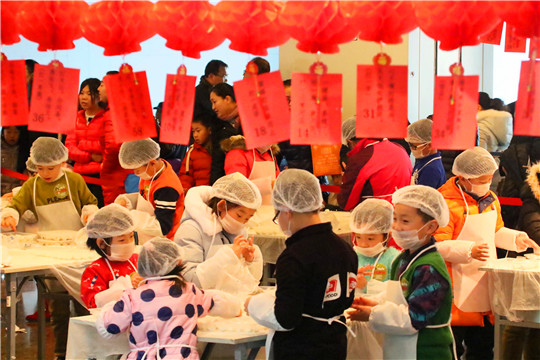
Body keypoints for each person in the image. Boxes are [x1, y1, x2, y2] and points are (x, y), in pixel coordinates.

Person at [434, 147, 540, 360]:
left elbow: (495, 230)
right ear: (463, 178)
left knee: (483, 347)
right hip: (454, 286)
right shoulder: (444, 202)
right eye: (482, 179)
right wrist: (468, 250)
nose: (487, 184)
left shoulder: (490, 198)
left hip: (485, 283)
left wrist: (515, 238)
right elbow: (436, 245)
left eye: (489, 178)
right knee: (453, 347)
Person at [0, 137, 98, 360]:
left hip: (78, 251)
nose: (45, 173)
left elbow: (90, 202)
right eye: (40, 168)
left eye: (51, 168)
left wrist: (90, 213)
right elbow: (16, 205)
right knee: (59, 308)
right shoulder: (31, 186)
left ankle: (88, 352)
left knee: (85, 304)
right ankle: (60, 353)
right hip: (50, 253)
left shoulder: (74, 181)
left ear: (62, 162)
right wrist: (9, 216)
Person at [245, 169, 358, 360]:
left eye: (276, 214)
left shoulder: (294, 257)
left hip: (300, 349)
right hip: (336, 346)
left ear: (287, 211)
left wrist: (253, 305)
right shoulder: (346, 249)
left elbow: (286, 318)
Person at [349, 185, 453, 360]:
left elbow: (414, 318)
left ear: (430, 227)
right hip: (401, 347)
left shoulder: (429, 268)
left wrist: (372, 314)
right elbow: (399, 296)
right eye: (394, 219)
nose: (396, 226)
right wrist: (374, 301)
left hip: (424, 351)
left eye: (405, 221)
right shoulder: (404, 259)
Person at [96, 237, 241, 360]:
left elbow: (110, 326)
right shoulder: (189, 291)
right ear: (178, 262)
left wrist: (109, 307)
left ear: (143, 266)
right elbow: (217, 301)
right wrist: (237, 309)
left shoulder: (132, 297)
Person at [174, 172, 263, 294]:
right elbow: (188, 279)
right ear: (222, 206)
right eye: (239, 215)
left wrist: (248, 261)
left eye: (247, 218)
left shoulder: (237, 231)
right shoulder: (191, 230)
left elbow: (244, 282)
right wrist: (228, 256)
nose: (242, 222)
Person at [346, 199, 400, 360]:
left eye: (370, 239)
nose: (364, 244)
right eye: (359, 237)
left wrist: (367, 286)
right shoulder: (351, 256)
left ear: (386, 235)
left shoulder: (393, 258)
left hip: (381, 321)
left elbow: (395, 292)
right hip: (352, 320)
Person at [499, 161, 540, 360]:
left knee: (537, 328)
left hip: (535, 272)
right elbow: (536, 234)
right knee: (518, 325)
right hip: (527, 271)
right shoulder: (532, 201)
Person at [117, 138, 185, 242]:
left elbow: (163, 228)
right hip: (145, 236)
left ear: (152, 163)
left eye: (137, 170)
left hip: (162, 241)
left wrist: (131, 216)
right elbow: (146, 196)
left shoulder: (166, 188)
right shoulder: (151, 173)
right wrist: (126, 201)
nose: (136, 173)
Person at [338, 116, 412, 210]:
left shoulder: (360, 159)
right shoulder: (400, 149)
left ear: (350, 141)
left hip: (374, 214)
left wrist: (346, 178)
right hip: (401, 211)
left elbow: (346, 202)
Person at [81, 204, 141, 309]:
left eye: (131, 237)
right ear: (102, 243)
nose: (129, 243)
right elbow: (93, 303)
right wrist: (126, 284)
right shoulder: (95, 271)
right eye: (122, 240)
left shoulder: (138, 260)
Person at [65, 78, 107, 207]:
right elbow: (70, 148)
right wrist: (90, 156)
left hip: (99, 176)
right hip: (79, 176)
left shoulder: (106, 118)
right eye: (82, 93)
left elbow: (105, 147)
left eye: (89, 94)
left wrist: (82, 144)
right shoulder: (76, 117)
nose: (84, 97)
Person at [98, 71, 131, 205]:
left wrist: (105, 166)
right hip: (126, 174)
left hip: (116, 176)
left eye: (102, 85)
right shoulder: (125, 109)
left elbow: (113, 146)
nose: (98, 89)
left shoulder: (113, 113)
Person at [222, 135, 280, 205]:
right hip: (246, 209)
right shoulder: (237, 153)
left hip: (269, 208)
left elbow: (278, 180)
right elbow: (237, 187)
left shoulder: (270, 155)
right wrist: (269, 184)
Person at [208, 83, 241, 183]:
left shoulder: (248, 121)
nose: (213, 107)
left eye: (215, 102)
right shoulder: (218, 126)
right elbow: (217, 164)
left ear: (227, 99)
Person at [406, 119, 446, 189]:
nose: (411, 148)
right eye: (410, 144)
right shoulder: (423, 160)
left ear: (430, 145)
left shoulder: (431, 170)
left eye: (414, 146)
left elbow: (422, 198)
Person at [178, 116, 213, 193]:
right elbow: (186, 175)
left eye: (198, 130)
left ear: (209, 130)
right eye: (193, 131)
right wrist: (185, 189)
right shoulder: (191, 151)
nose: (195, 135)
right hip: (198, 195)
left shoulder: (218, 150)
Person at [1, 126, 29, 195]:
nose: (12, 135)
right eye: (8, 132)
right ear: (2, 133)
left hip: (19, 191)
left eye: (16, 132)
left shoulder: (25, 151)